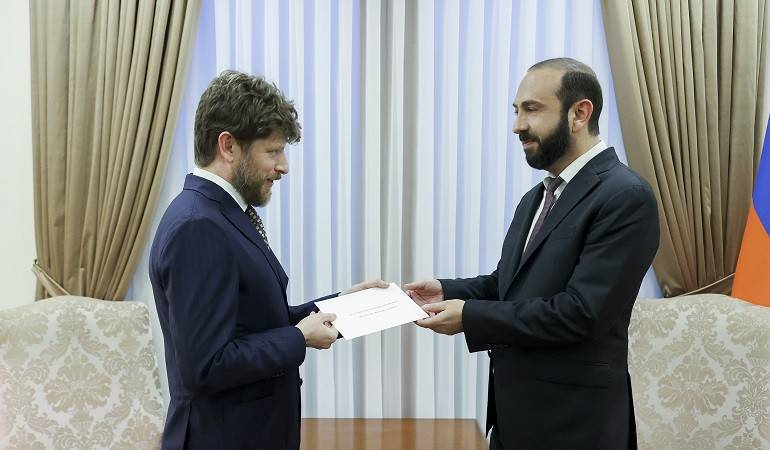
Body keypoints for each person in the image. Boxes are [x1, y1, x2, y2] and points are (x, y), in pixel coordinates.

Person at [406, 58, 659, 450]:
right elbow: (510, 285)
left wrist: (470, 316)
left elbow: (580, 313)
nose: (517, 125)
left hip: (576, 428)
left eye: (532, 109)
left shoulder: (625, 196)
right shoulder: (536, 198)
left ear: (580, 113)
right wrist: (446, 290)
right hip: (514, 422)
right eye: (516, 110)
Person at [149, 70, 386, 450]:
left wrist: (343, 305)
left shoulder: (220, 214)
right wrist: (298, 338)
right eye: (273, 151)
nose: (284, 166)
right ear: (228, 145)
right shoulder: (197, 226)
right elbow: (206, 365)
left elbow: (251, 323)